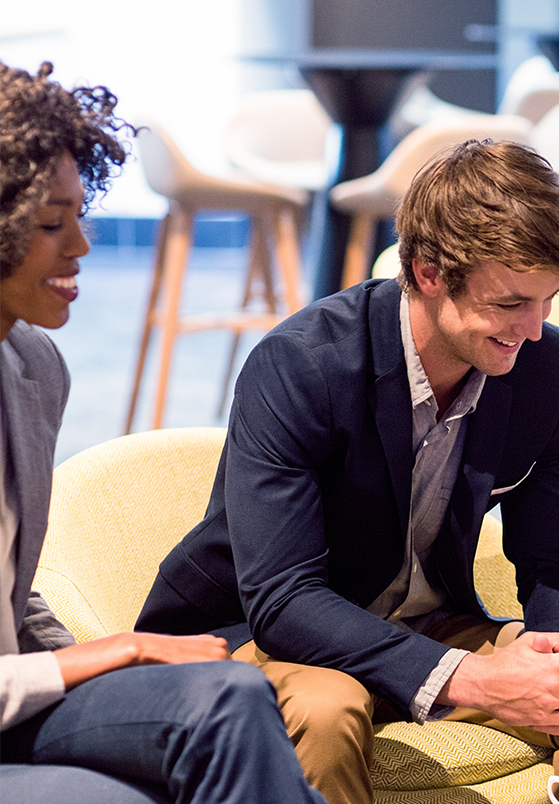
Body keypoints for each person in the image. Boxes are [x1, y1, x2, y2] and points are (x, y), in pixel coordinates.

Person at [135, 138, 559, 804]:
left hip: (426, 625)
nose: (533, 329)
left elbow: (557, 561)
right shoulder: (301, 365)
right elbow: (284, 600)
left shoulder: (544, 366)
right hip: (262, 635)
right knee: (326, 710)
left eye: (548, 300)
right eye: (510, 304)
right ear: (429, 272)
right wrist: (471, 677)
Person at [0, 60, 324, 804]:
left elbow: (14, 598)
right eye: (50, 224)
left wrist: (104, 671)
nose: (81, 246)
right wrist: (112, 653)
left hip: (21, 693)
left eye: (79, 214)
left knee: (231, 691)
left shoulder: (33, 368)